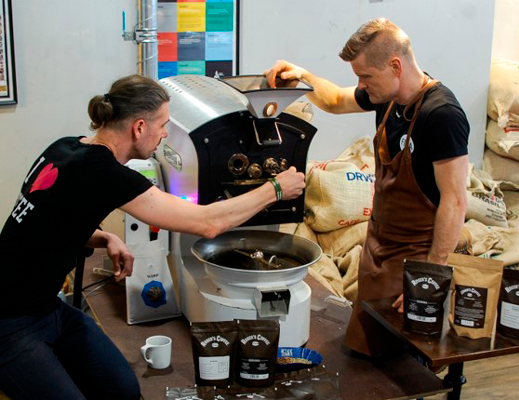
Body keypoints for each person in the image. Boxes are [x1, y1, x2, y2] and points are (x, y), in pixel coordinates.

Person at [0, 74, 305, 399]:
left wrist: (105, 238)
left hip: (46, 307)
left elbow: (50, 218)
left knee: (123, 389)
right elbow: (208, 223)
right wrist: (275, 189)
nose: (165, 134)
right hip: (9, 320)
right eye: (163, 125)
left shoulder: (65, 147)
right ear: (139, 127)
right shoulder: (106, 174)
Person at [265, 18, 469, 357]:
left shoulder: (442, 114)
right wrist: (301, 75)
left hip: (415, 259)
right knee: (363, 356)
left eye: (365, 77)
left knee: (405, 364)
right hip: (377, 248)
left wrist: (430, 277)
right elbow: (334, 100)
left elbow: (455, 200)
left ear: (395, 66)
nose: (360, 85)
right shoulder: (386, 96)